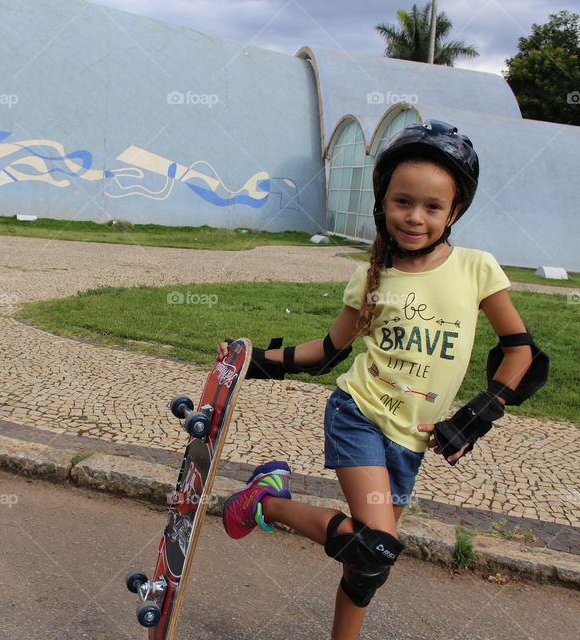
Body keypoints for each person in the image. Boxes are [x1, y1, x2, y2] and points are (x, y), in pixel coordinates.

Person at [219, 120, 548, 640]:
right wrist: (255, 359)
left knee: (367, 566)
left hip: (413, 438)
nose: (415, 217)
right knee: (374, 544)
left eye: (432, 206)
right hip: (359, 416)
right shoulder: (369, 278)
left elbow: (522, 353)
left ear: (454, 211)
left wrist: (476, 415)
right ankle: (266, 502)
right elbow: (328, 352)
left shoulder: (476, 268)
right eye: (403, 201)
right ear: (382, 203)